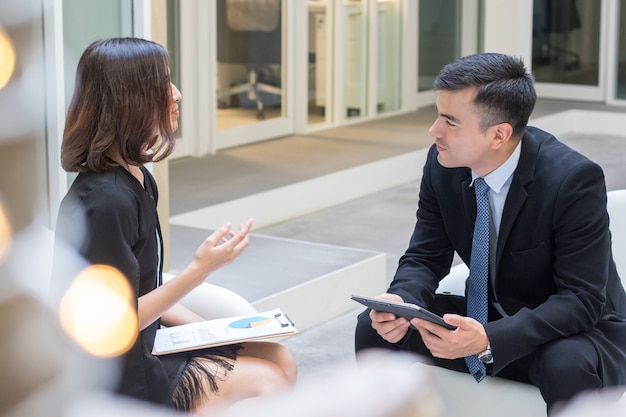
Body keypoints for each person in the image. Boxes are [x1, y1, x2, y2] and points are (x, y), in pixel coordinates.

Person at [354, 52, 626, 414]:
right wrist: (402, 301)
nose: (434, 130)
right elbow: (425, 255)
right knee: (375, 329)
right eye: (438, 115)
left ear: (499, 134)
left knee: (566, 362)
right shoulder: (443, 164)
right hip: (487, 318)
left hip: (570, 333)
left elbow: (581, 300)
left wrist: (489, 339)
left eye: (450, 121)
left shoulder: (572, 180)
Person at [52, 37, 297, 413]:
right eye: (163, 84)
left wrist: (210, 334)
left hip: (147, 340)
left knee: (280, 358)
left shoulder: (137, 178)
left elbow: (143, 284)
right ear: (129, 99)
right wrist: (198, 273)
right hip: (116, 371)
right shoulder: (106, 202)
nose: (177, 94)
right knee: (269, 381)